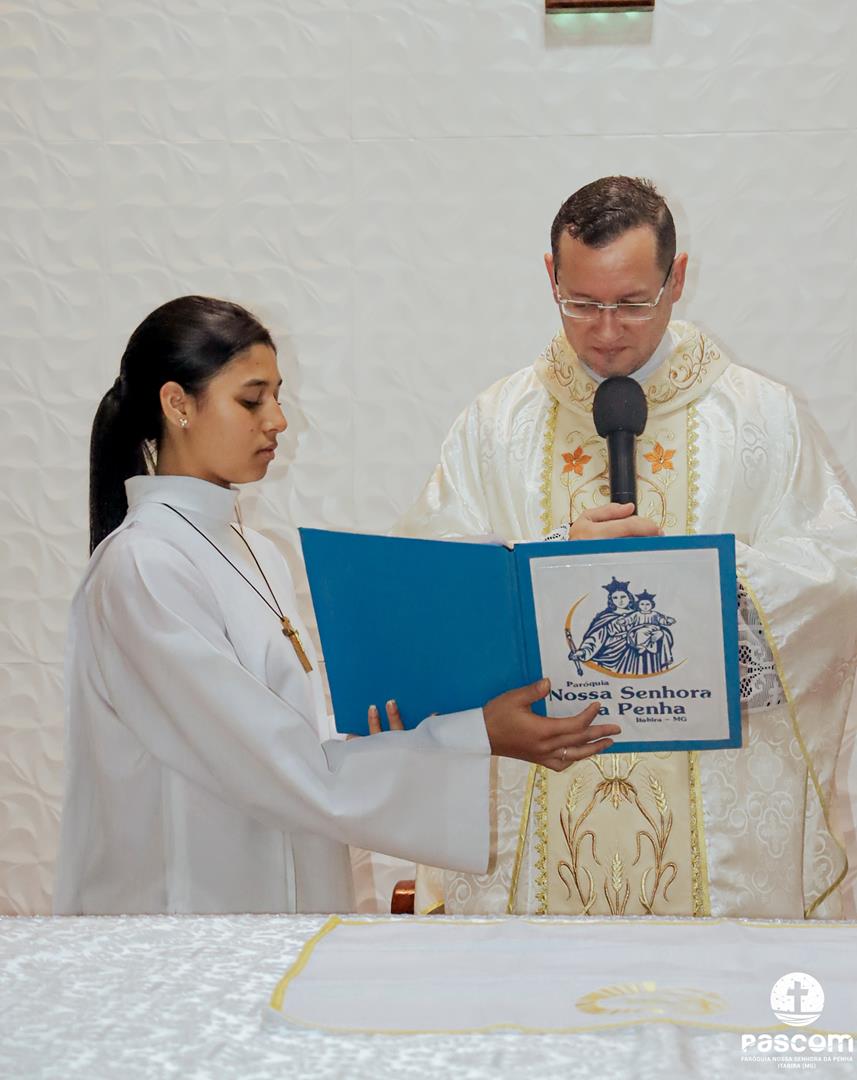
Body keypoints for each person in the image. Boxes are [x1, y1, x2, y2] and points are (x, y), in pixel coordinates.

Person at [53, 296, 620, 916]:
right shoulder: (142, 565)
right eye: (252, 400)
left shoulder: (257, 552)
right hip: (186, 918)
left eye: (277, 396)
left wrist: (397, 726)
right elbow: (277, 766)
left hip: (283, 897)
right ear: (177, 404)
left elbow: (298, 738)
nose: (278, 420)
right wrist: (475, 733)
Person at [398, 177, 857, 919]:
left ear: (677, 278)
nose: (607, 331)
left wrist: (713, 578)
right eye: (581, 303)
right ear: (549, 277)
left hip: (716, 812)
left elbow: (836, 580)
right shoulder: (496, 424)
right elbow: (430, 589)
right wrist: (551, 555)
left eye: (633, 303)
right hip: (542, 790)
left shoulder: (758, 417)